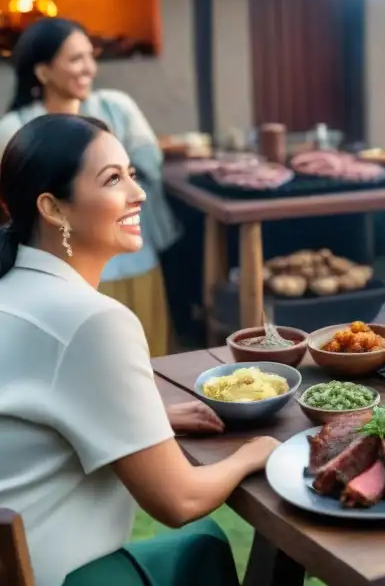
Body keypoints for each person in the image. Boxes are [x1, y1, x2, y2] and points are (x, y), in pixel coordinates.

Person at [0, 113, 279, 586]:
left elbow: (29, 419)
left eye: (132, 173)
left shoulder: (14, 291)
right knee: (201, 542)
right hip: (56, 576)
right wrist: (258, 451)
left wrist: (153, 420)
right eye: (112, 179)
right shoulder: (91, 321)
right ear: (53, 208)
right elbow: (178, 501)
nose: (139, 193)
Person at [0, 18, 180, 356]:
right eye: (75, 59)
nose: (89, 69)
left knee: (148, 357)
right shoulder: (15, 129)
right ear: (42, 72)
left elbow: (149, 166)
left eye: (90, 56)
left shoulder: (115, 108)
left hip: (134, 262)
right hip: (63, 270)